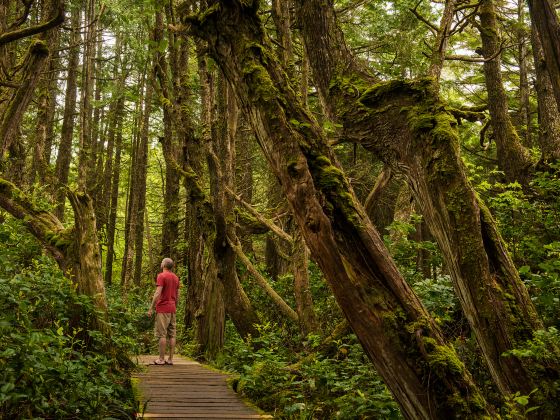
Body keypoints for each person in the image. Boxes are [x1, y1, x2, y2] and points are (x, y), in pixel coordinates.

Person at [147, 258, 180, 365]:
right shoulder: (175, 278)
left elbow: (157, 293)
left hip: (162, 308)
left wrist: (151, 307)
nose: (161, 263)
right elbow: (178, 295)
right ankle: (170, 359)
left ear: (164, 265)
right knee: (172, 334)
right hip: (172, 308)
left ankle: (161, 359)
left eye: (162, 262)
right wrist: (175, 306)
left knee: (162, 334)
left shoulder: (161, 276)